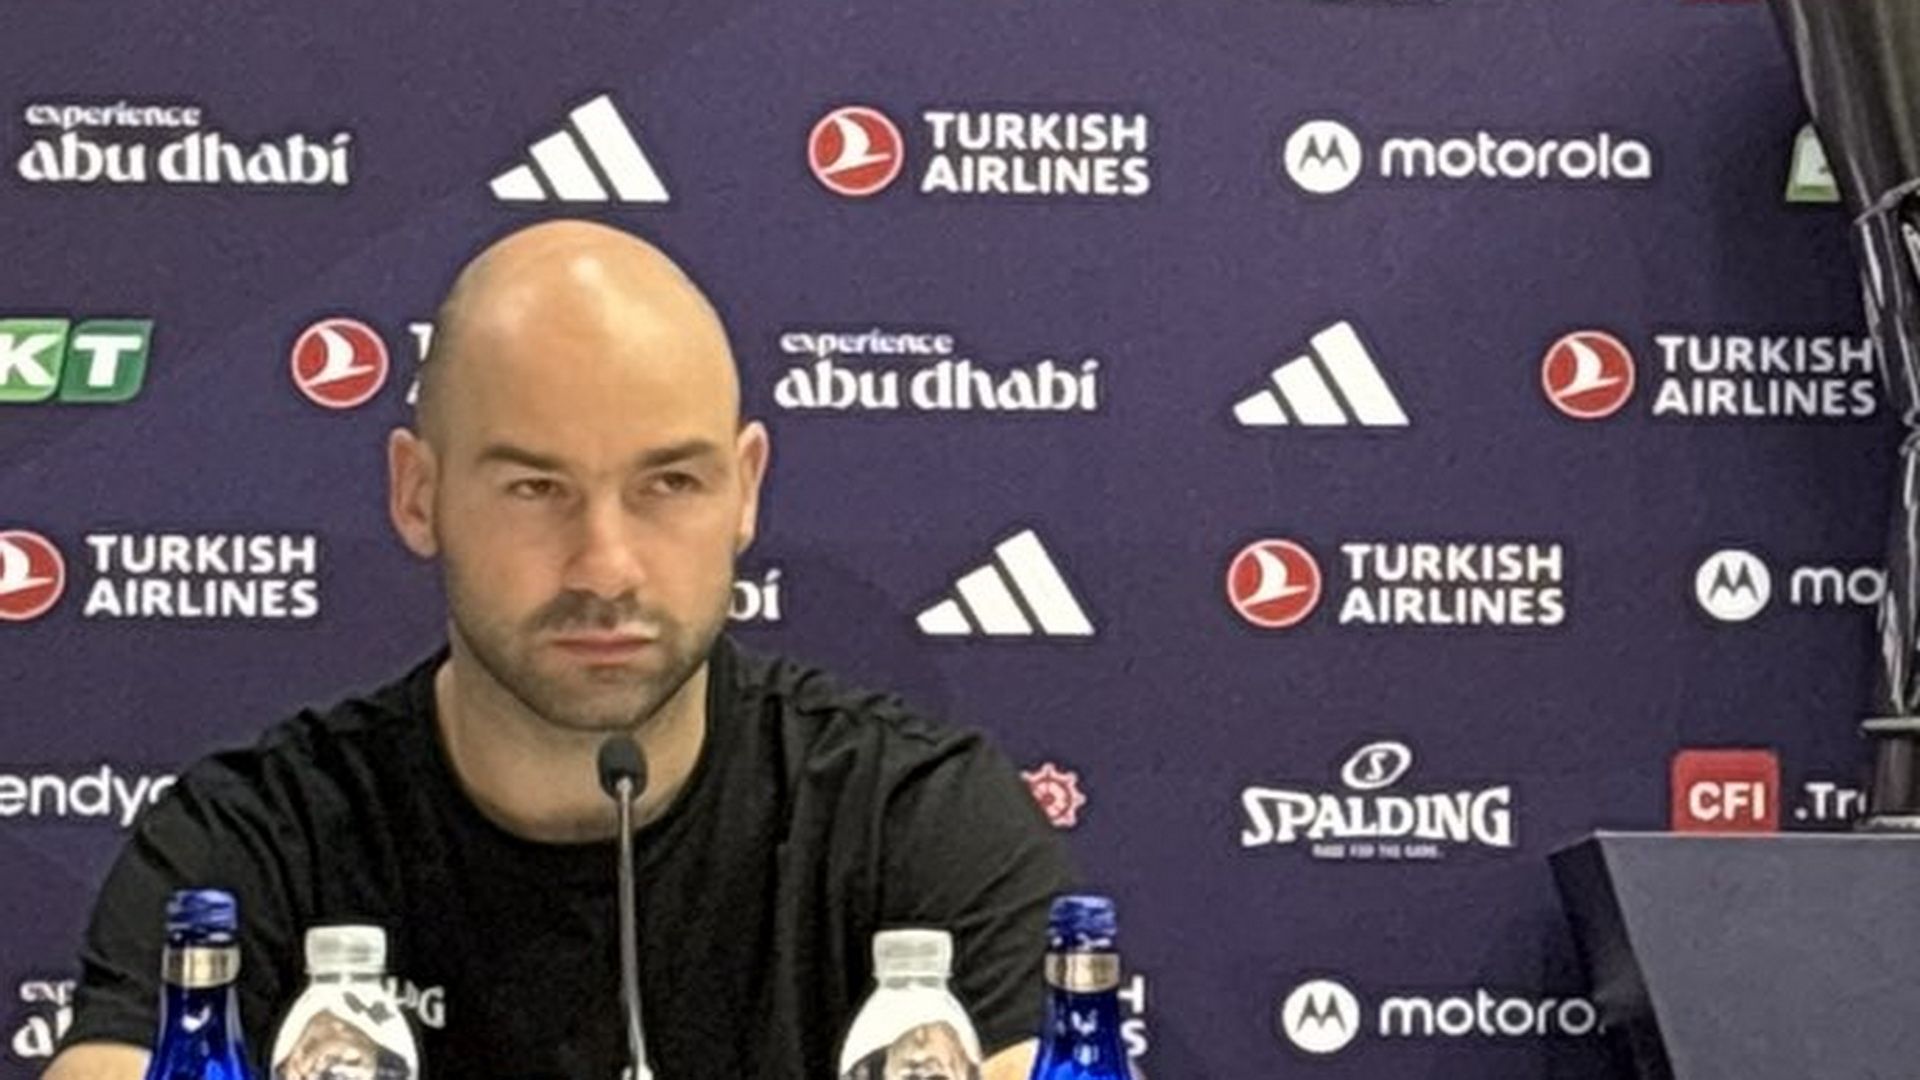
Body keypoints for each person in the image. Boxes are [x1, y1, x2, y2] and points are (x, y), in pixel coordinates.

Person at [45, 220, 1075, 1080]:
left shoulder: (914, 819)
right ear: (418, 495)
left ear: (745, 491)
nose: (606, 566)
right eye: (536, 488)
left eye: (669, 484)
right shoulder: (254, 846)